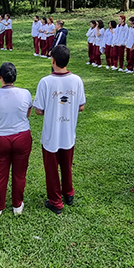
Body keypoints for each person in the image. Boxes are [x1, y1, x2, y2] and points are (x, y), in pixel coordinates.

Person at [34, 45, 85, 214]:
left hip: (51, 134)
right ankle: (68, 193)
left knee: (51, 169)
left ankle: (55, 201)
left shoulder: (46, 82)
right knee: (66, 165)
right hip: (68, 132)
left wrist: (53, 108)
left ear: (53, 60)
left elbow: (39, 110)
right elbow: (81, 106)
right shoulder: (77, 80)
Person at [0, 62, 33, 216]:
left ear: (0, 77)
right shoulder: (25, 93)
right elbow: (28, 112)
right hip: (22, 135)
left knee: (1, 174)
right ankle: (17, 205)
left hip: (1, 137)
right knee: (20, 173)